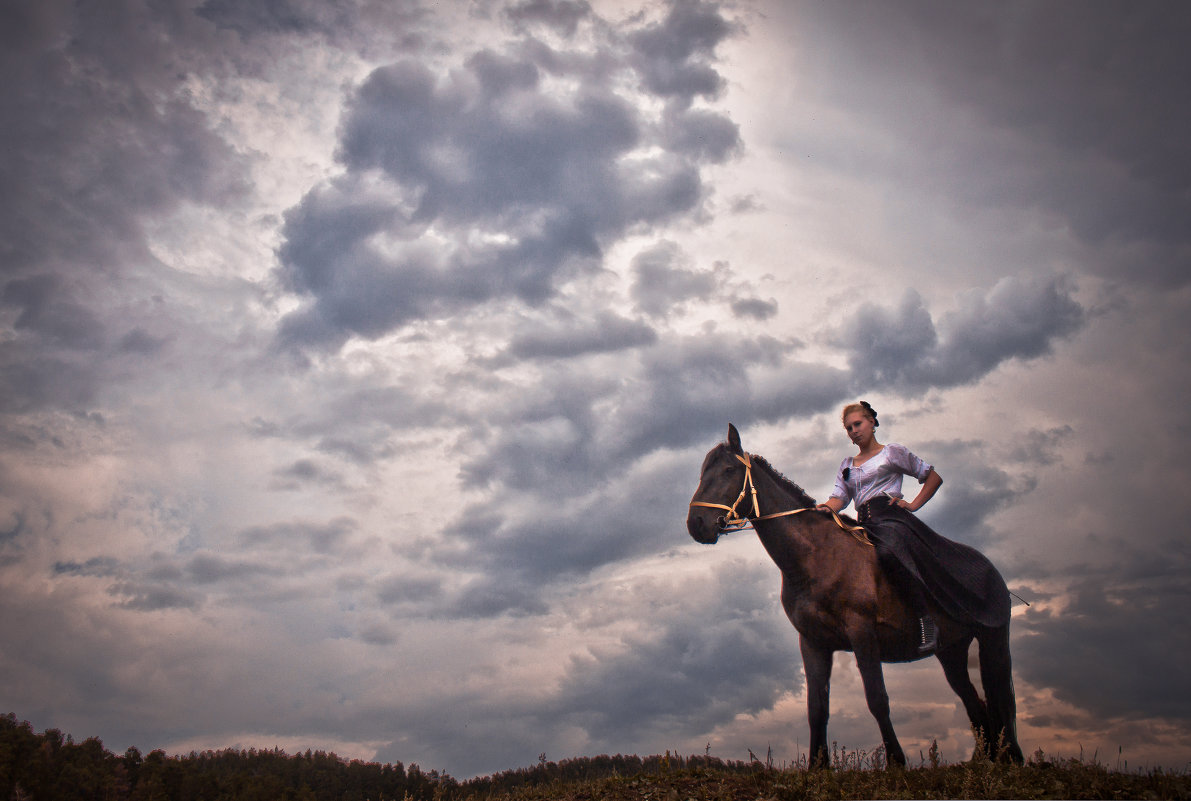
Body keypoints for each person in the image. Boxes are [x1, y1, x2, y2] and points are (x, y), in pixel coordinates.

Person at [816, 401, 942, 653]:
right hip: (864, 523)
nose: (854, 431)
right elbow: (840, 499)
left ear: (872, 422)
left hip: (891, 520)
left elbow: (932, 477)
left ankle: (926, 620)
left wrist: (913, 505)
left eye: (858, 424)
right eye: (849, 428)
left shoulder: (892, 452)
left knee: (886, 554)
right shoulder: (847, 465)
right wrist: (823, 509)